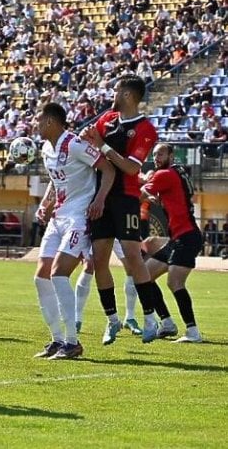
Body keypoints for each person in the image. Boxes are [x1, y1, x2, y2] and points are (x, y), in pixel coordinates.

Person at [81, 74, 161, 344]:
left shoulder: (145, 129)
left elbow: (131, 167)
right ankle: (112, 320)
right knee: (99, 260)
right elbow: (89, 144)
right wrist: (87, 139)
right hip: (99, 198)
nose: (112, 94)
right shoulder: (106, 120)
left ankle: (150, 317)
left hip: (126, 199)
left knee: (132, 257)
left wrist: (101, 145)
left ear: (127, 94)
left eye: (116, 89)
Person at [32, 103, 115, 359]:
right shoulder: (47, 148)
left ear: (50, 122)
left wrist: (99, 199)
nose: (35, 124)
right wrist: (46, 204)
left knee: (58, 274)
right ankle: (57, 340)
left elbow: (108, 168)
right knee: (40, 278)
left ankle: (72, 342)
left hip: (79, 218)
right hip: (58, 218)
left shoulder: (75, 144)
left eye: (38, 119)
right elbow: (56, 181)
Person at [141, 144, 203, 342]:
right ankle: (167, 322)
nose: (156, 157)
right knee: (145, 276)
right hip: (178, 237)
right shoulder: (176, 171)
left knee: (174, 281)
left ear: (171, 155)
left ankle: (193, 332)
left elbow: (141, 192)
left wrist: (144, 183)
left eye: (160, 153)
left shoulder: (164, 174)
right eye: (154, 154)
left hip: (186, 237)